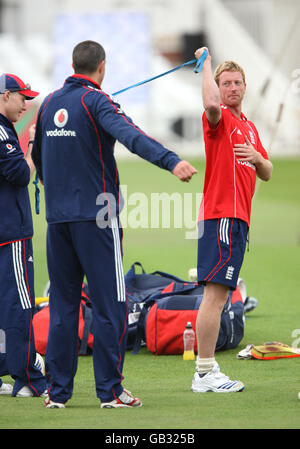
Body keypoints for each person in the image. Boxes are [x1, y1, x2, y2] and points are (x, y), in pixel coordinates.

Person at [32, 40, 197, 409]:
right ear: (101, 67)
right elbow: (131, 136)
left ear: (74, 64)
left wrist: (56, 192)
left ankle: (57, 395)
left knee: (63, 307)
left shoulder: (49, 104)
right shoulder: (97, 102)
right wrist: (171, 161)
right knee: (112, 305)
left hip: (58, 221)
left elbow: (38, 157)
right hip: (97, 219)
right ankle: (110, 392)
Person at [191, 47, 273, 393]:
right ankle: (204, 372)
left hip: (238, 221)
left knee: (220, 295)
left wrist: (256, 157)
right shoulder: (220, 118)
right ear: (219, 87)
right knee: (216, 296)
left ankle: (205, 370)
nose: (232, 87)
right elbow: (209, 105)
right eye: (226, 83)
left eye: (238, 82)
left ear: (245, 86)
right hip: (222, 218)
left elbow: (267, 171)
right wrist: (206, 63)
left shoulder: (249, 127)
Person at [0, 73, 47, 397]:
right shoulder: (3, 131)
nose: (26, 104)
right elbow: (18, 173)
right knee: (18, 305)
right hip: (10, 234)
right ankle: (28, 379)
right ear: (5, 96)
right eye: (22, 97)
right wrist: (30, 147)